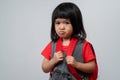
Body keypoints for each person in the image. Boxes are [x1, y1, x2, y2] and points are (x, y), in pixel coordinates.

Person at [41, 2, 98, 80]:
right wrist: (53, 61)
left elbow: (92, 67)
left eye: (66, 23)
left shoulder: (84, 45)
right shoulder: (52, 44)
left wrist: (76, 64)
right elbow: (44, 68)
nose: (61, 27)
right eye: (58, 23)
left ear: (76, 24)